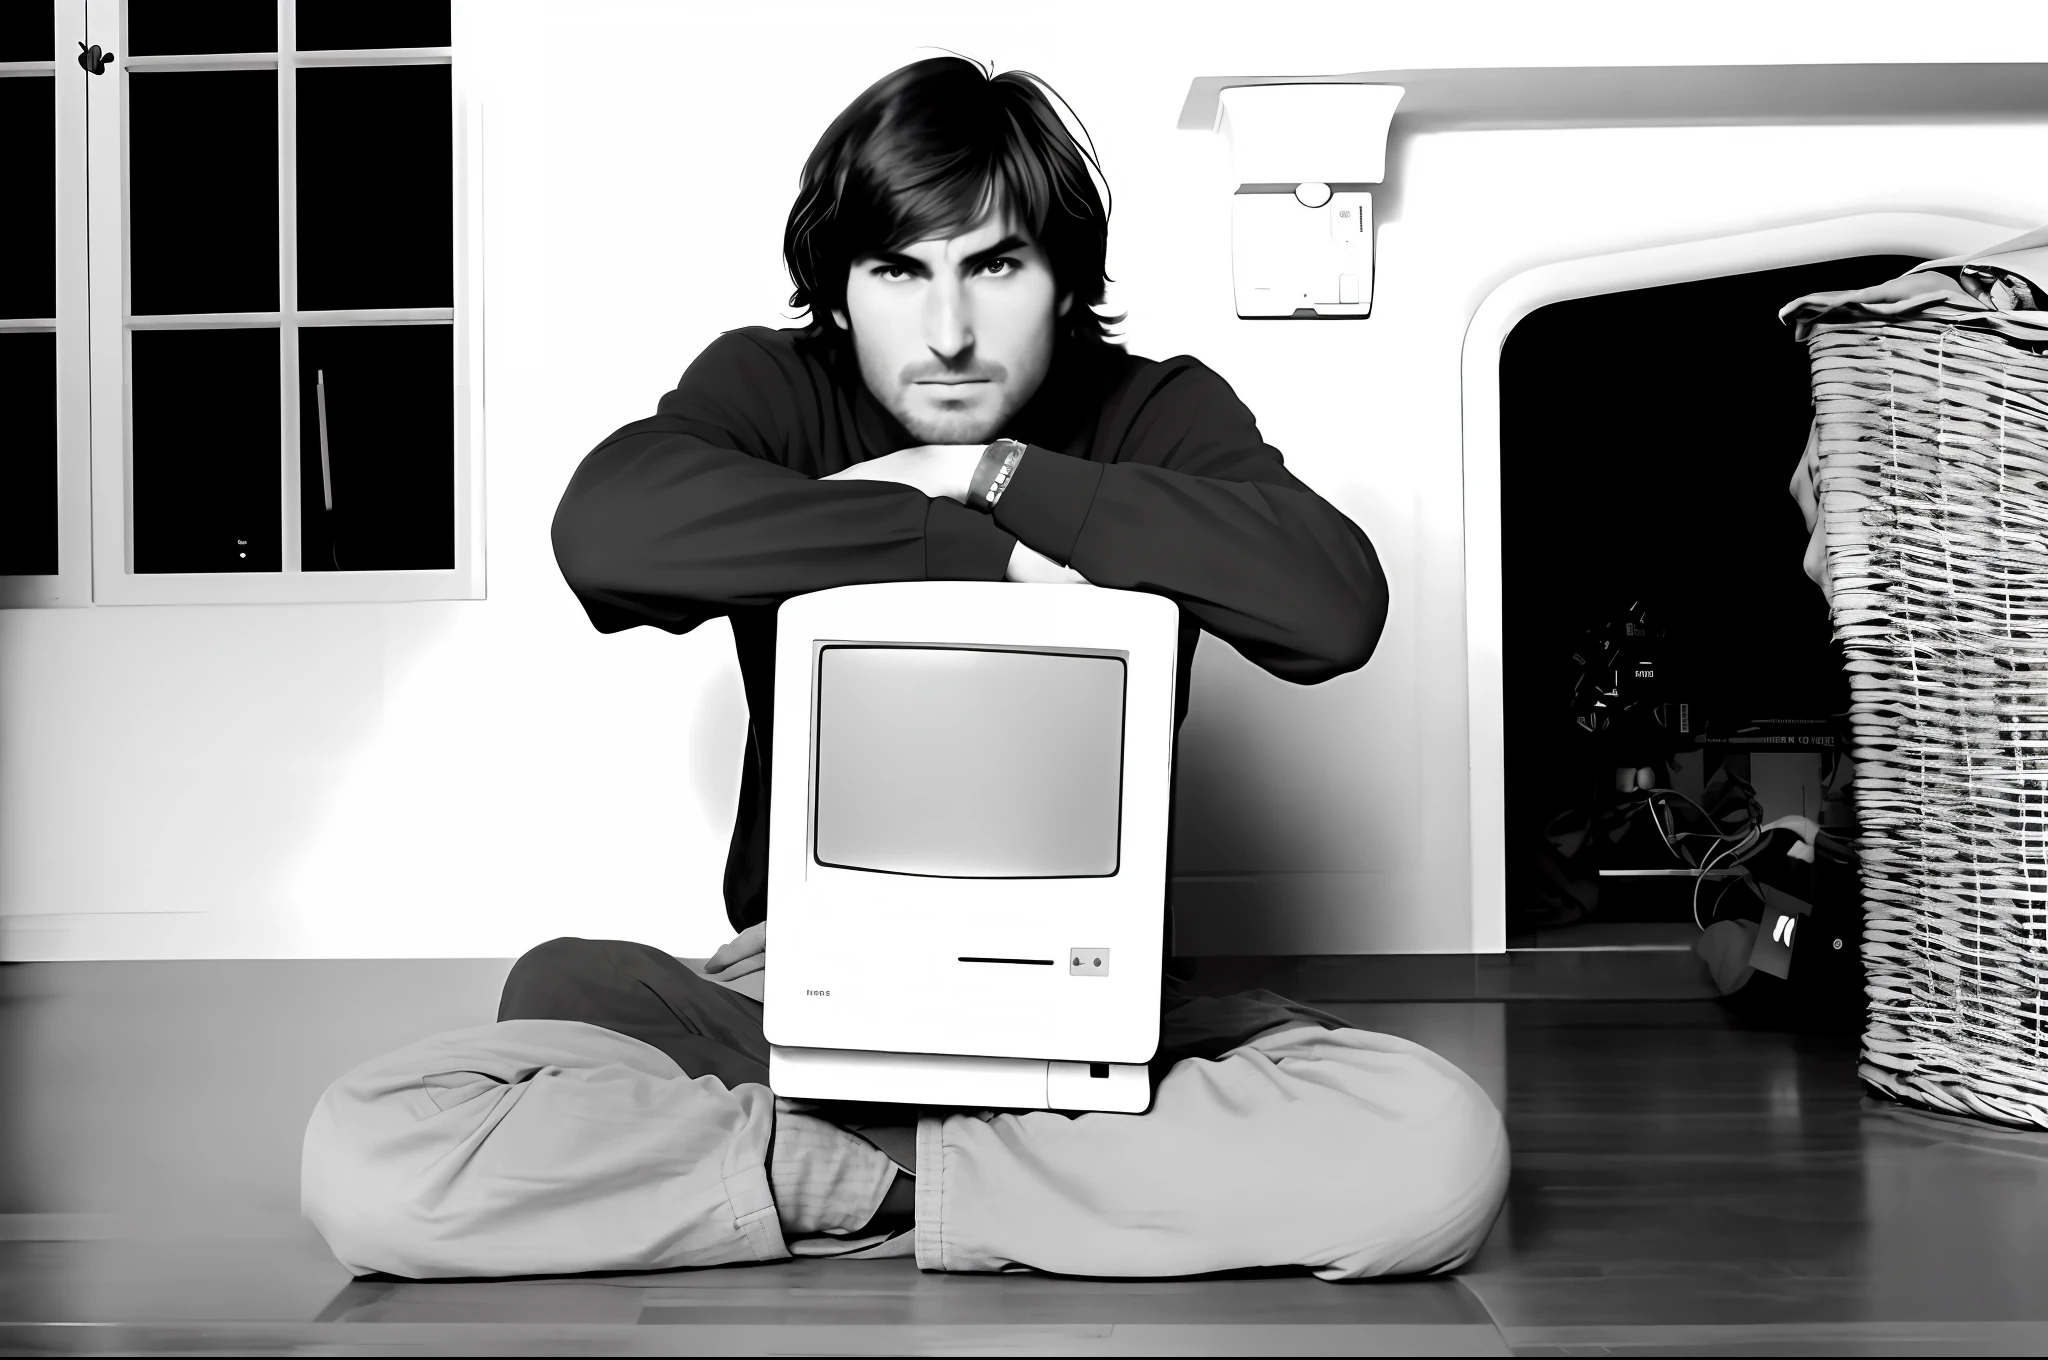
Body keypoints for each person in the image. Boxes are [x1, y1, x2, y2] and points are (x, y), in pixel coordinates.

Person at [300, 55, 1509, 1283]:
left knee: (1434, 1148)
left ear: (1063, 279)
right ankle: (1001, 1180)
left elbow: (1332, 604)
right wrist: (963, 545)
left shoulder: (1151, 414)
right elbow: (608, 535)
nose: (947, 333)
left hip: (1090, 989)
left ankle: (833, 1177)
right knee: (396, 1128)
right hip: (800, 973)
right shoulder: (776, 389)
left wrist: (983, 472)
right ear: (837, 290)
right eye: (898, 271)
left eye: (994, 265)